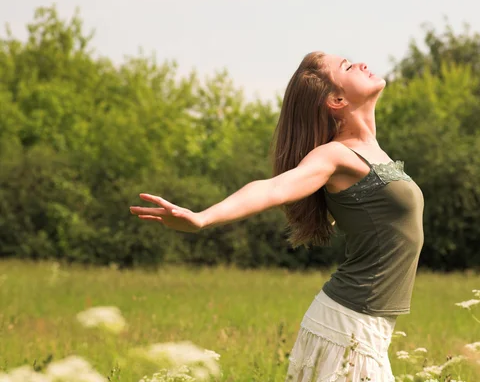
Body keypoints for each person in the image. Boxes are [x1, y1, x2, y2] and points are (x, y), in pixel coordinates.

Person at [129, 51, 425, 382]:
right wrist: (202, 218)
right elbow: (273, 189)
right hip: (348, 326)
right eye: (347, 66)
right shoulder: (334, 156)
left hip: (363, 325)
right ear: (336, 99)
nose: (362, 64)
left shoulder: (375, 154)